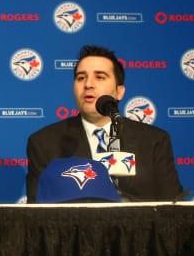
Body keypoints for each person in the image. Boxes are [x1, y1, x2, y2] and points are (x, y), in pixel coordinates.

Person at [26, 44, 184, 203]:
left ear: (120, 91)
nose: (88, 84)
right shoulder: (44, 143)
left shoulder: (153, 140)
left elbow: (171, 206)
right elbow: (37, 212)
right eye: (81, 77)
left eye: (99, 77)